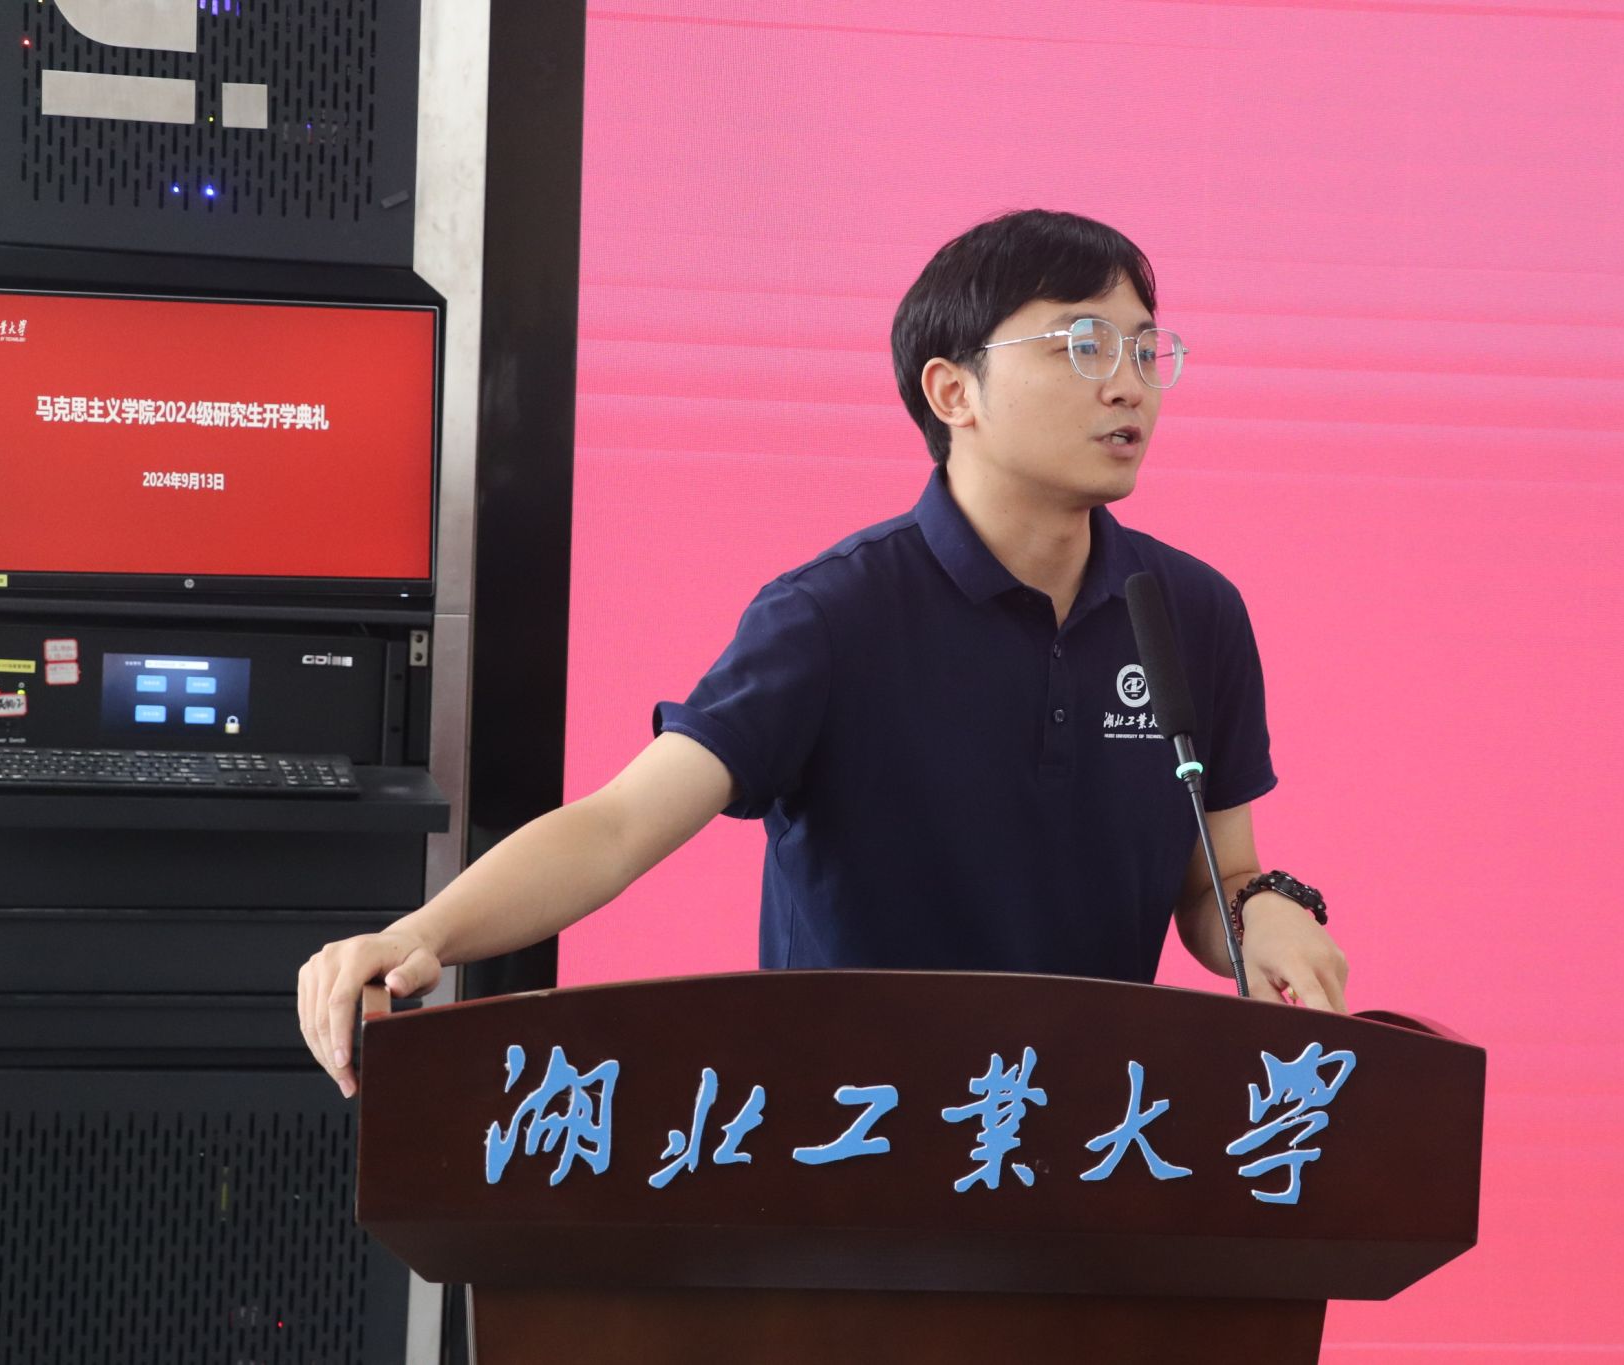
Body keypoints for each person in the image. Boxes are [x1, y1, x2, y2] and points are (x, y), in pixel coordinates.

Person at [297, 209, 1349, 1098]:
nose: (1129, 386)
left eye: (1145, 350)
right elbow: (619, 825)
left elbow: (1214, 880)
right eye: (1082, 345)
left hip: (1089, 1140)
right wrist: (422, 932)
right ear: (953, 393)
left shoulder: (1190, 612)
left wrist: (1263, 914)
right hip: (848, 1143)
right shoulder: (833, 614)